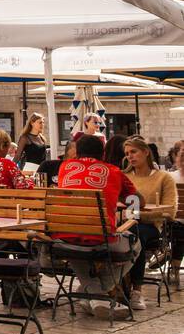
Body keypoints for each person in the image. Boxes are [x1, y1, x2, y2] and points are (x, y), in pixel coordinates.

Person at [51, 133, 140, 320]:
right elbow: (137, 201)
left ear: (77, 152)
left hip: (62, 239)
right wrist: (119, 195)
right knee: (136, 243)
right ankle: (101, 289)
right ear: (103, 153)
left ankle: (90, 294)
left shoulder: (65, 167)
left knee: (75, 245)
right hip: (101, 239)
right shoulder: (114, 171)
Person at [122, 135, 177, 311]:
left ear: (146, 152)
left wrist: (144, 213)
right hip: (125, 224)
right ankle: (114, 286)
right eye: (127, 153)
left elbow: (170, 211)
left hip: (151, 227)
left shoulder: (163, 178)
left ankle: (136, 290)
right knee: (123, 234)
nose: (130, 156)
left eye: (134, 151)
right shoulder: (124, 177)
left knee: (134, 234)